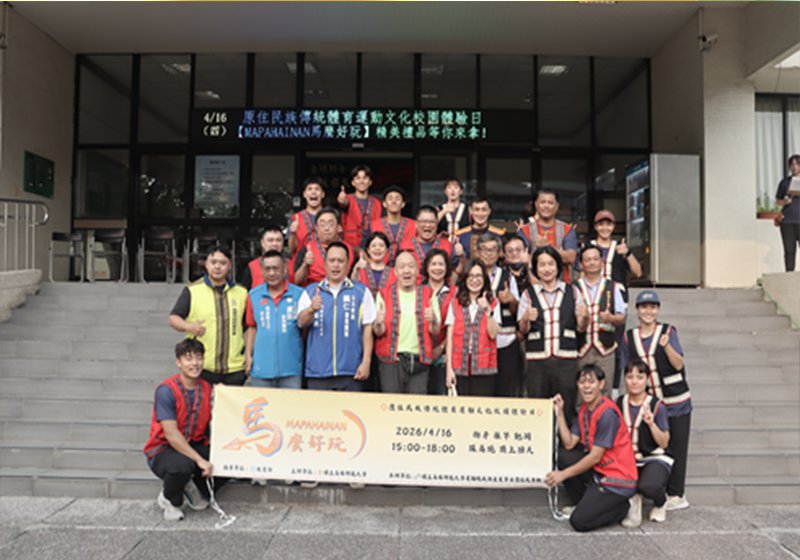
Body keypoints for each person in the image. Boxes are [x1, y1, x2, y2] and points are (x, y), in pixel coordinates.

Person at [621, 289, 692, 512]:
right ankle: (655, 489)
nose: (648, 311)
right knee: (654, 445)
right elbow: (627, 369)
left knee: (677, 446)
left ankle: (676, 494)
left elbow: (678, 364)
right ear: (637, 310)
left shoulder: (668, 331)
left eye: (652, 307)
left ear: (658, 310)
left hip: (676, 400)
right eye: (644, 307)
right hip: (649, 404)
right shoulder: (629, 337)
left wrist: (666, 345)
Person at [546, 364, 638, 533]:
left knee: (578, 522)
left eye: (591, 382)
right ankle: (586, 504)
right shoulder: (584, 410)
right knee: (564, 456)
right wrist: (559, 413)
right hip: (599, 472)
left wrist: (563, 475)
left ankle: (625, 506)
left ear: (601, 384)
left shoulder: (607, 413)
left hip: (617, 478)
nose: (586, 386)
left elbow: (595, 456)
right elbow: (569, 443)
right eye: (582, 382)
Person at [144, 339, 225, 521]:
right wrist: (200, 460)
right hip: (163, 449)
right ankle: (169, 499)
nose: (195, 363)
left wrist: (225, 395)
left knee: (226, 459)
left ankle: (194, 489)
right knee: (182, 466)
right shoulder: (166, 390)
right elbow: (171, 435)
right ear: (178, 362)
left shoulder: (207, 388)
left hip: (194, 443)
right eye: (188, 359)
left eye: (198, 358)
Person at [518, 246, 589, 425]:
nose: (547, 269)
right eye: (542, 265)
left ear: (558, 266)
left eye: (551, 264)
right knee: (537, 409)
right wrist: (526, 318)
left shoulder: (572, 291)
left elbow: (581, 328)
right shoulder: (528, 294)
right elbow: (523, 330)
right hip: (537, 361)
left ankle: (565, 441)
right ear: (536, 268)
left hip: (566, 360)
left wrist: (585, 317)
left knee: (566, 406)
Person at [297, 242, 375, 391]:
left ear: (348, 264)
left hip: (351, 370)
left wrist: (366, 362)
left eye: (340, 261)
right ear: (325, 263)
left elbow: (367, 328)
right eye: (332, 260)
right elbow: (301, 322)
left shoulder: (361, 292)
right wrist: (311, 309)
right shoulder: (311, 291)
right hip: (318, 371)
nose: (336, 265)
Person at [168, 246, 248, 386]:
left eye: (223, 263)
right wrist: (188, 326)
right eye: (213, 262)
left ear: (229, 265)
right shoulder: (192, 290)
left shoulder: (241, 293)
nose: (217, 267)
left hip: (235, 367)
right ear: (206, 264)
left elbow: (249, 325)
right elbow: (173, 318)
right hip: (202, 366)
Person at [373, 251, 441, 394]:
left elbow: (435, 330)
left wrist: (434, 319)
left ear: (417, 271)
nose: (407, 270)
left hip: (420, 360)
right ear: (395, 272)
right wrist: (378, 323)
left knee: (416, 405)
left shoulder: (428, 294)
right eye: (402, 267)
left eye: (411, 266)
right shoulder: (384, 294)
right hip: (392, 361)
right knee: (392, 403)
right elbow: (379, 332)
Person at [617, 359, 672, 527]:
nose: (634, 381)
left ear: (647, 379)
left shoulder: (656, 405)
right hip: (626, 459)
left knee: (649, 486)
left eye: (639, 377)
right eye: (629, 377)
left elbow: (664, 442)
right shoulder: (619, 403)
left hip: (652, 458)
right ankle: (633, 499)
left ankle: (661, 502)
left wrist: (651, 424)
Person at [244, 250, 304, 389]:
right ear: (262, 271)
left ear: (285, 268)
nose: (271, 273)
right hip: (262, 369)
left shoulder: (299, 294)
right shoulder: (254, 295)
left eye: (275, 268)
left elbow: (305, 329)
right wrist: (248, 356)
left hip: (291, 369)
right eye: (267, 269)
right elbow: (252, 327)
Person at [575, 245, 626, 399]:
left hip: (606, 349)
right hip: (581, 349)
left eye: (595, 259)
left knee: (605, 391)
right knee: (581, 392)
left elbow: (621, 317)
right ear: (581, 264)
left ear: (602, 262)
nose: (592, 262)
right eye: (587, 260)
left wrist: (610, 318)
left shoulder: (613, 287)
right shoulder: (574, 288)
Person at [445, 260, 501, 396]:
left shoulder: (493, 302)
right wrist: (449, 369)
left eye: (478, 276)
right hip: (459, 364)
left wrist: (488, 310)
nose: (474, 280)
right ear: (465, 279)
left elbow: (493, 334)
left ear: (484, 279)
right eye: (470, 276)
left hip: (484, 365)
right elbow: (449, 339)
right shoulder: (455, 303)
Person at [476, 233, 521, 398]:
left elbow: (518, 311)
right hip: (479, 343)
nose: (488, 253)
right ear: (478, 252)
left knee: (506, 392)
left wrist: (511, 300)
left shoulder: (508, 277)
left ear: (499, 253)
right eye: (484, 249)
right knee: (483, 392)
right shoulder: (471, 276)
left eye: (493, 249)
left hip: (505, 341)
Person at [519, 190, 578, 282]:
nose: (546, 206)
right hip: (533, 284)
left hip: (562, 283)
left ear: (557, 206)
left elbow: (571, 258)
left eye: (550, 203)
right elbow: (521, 258)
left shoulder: (566, 229)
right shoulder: (525, 230)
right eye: (543, 202)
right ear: (536, 205)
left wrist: (547, 246)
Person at [293, 207, 355, 287]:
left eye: (331, 224)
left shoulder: (349, 250)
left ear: (339, 227)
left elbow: (355, 279)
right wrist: (305, 264)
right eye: (322, 225)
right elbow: (297, 281)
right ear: (316, 228)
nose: (326, 228)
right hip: (315, 290)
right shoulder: (307, 249)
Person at [422, 248, 454, 395]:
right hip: (420, 354)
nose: (437, 268)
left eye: (441, 264)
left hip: (444, 356)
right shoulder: (418, 291)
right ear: (427, 267)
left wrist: (441, 347)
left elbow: (455, 326)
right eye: (433, 264)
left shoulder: (454, 293)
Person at [589, 209, 642, 293]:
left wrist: (628, 253)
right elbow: (581, 273)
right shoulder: (588, 247)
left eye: (608, 224)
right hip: (593, 294)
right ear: (595, 226)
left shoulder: (620, 247)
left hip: (617, 294)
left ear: (613, 226)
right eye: (601, 224)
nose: (605, 228)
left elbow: (638, 273)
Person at [337, 164, 382, 249]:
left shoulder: (377, 203)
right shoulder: (348, 199)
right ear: (353, 183)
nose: (361, 181)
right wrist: (342, 200)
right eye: (358, 178)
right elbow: (344, 203)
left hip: (372, 245)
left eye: (365, 178)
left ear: (370, 182)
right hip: (351, 244)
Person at [400, 205, 455, 273]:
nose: (427, 225)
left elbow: (456, 270)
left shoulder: (447, 246)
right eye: (424, 221)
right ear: (416, 224)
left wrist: (462, 257)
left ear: (436, 224)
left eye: (431, 222)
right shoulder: (404, 246)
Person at [370, 186, 416, 264]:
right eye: (390, 199)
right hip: (380, 267)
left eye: (397, 199)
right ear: (384, 204)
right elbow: (365, 247)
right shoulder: (373, 225)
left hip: (406, 267)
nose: (393, 201)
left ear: (403, 204)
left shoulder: (414, 225)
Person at [453, 197, 505, 261]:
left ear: (489, 211)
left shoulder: (499, 234)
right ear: (470, 211)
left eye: (484, 210)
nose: (480, 214)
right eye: (477, 210)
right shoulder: (460, 235)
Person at [239, 224, 286, 290]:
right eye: (270, 240)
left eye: (278, 240)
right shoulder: (251, 267)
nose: (275, 244)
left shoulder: (292, 265)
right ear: (262, 243)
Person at [288, 176, 326, 255]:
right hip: (302, 260)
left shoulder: (331, 217)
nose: (313, 192)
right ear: (304, 194)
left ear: (322, 194)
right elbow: (291, 250)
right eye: (310, 189)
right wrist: (292, 234)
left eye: (317, 189)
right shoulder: (296, 218)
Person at [776, 154, 800, 272]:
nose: (794, 167)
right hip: (787, 221)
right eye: (792, 164)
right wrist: (784, 202)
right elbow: (778, 201)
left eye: (797, 164)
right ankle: (789, 276)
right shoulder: (785, 182)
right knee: (789, 250)